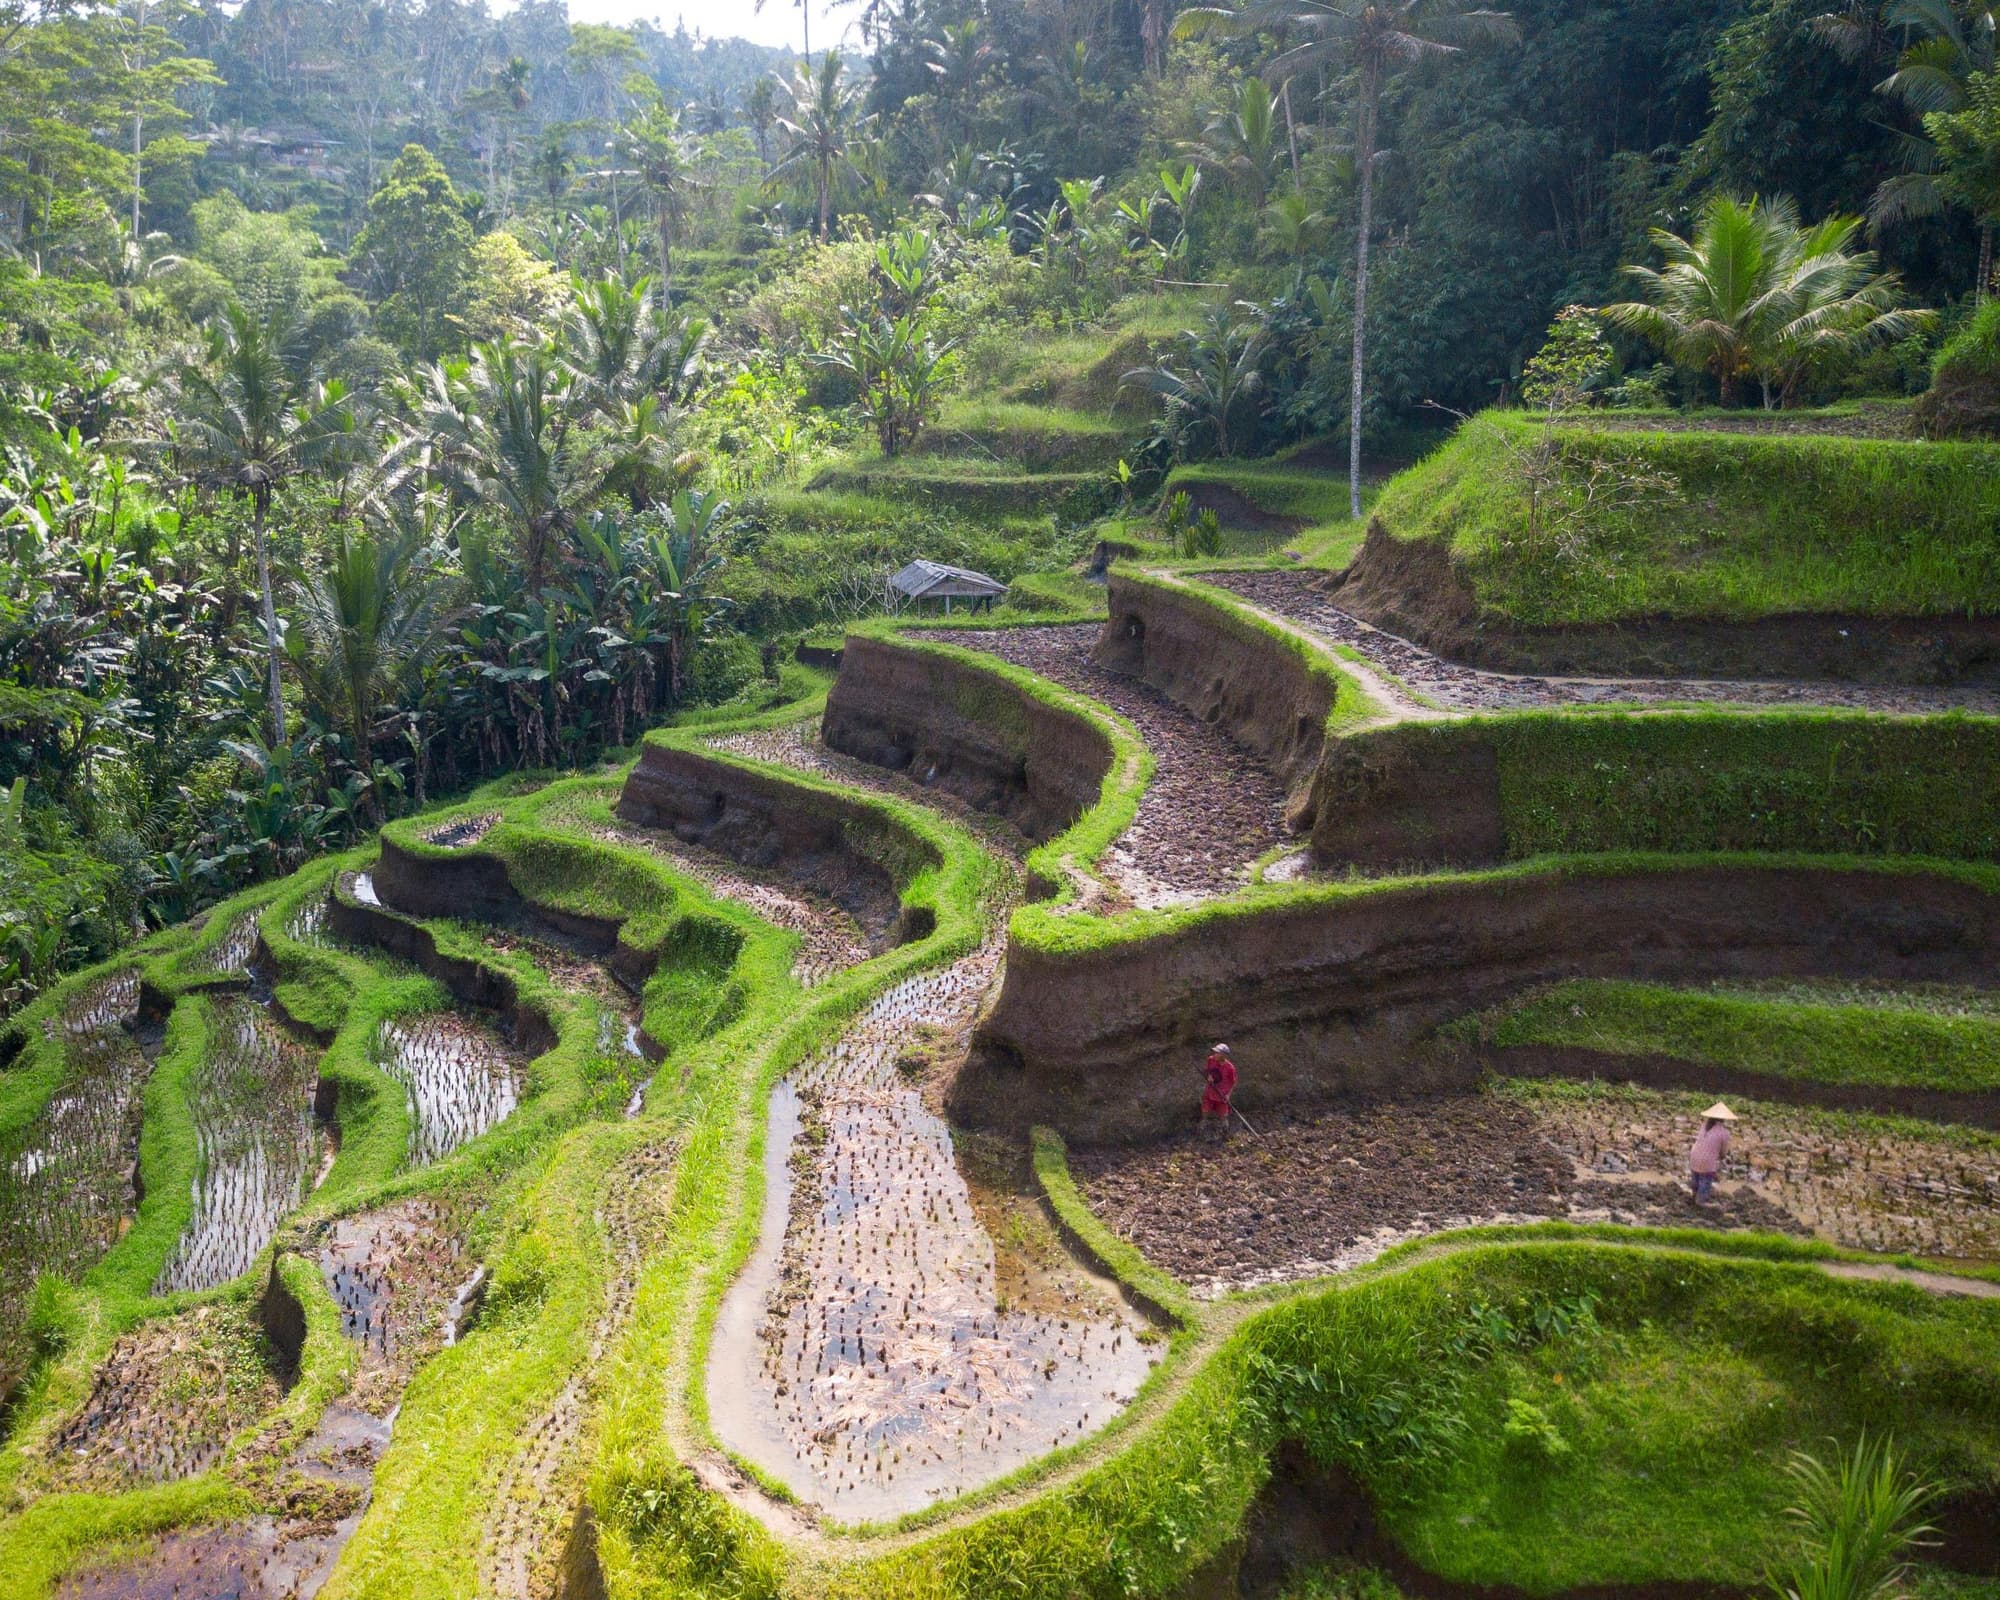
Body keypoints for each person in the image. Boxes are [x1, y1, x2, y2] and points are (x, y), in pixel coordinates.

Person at [1688, 1101, 1737, 1203]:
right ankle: (1700, 1202)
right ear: (1723, 1119)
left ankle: (1693, 1197)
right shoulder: (1724, 1132)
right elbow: (1723, 1152)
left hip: (1694, 1156)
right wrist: (1721, 1157)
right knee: (1705, 1183)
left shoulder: (1703, 1126)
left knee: (1696, 1180)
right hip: (1707, 1161)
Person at [1201, 1043, 1237, 1135]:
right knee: (1205, 1109)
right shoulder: (1211, 1060)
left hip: (1222, 1095)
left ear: (1223, 1055)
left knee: (1223, 1115)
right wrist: (1209, 1076)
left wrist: (1228, 1095)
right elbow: (1208, 1070)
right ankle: (1204, 1122)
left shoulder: (1230, 1068)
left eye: (1217, 1053)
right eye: (1215, 1052)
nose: (1214, 1054)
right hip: (1210, 1091)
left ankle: (1225, 1130)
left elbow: (1233, 1082)